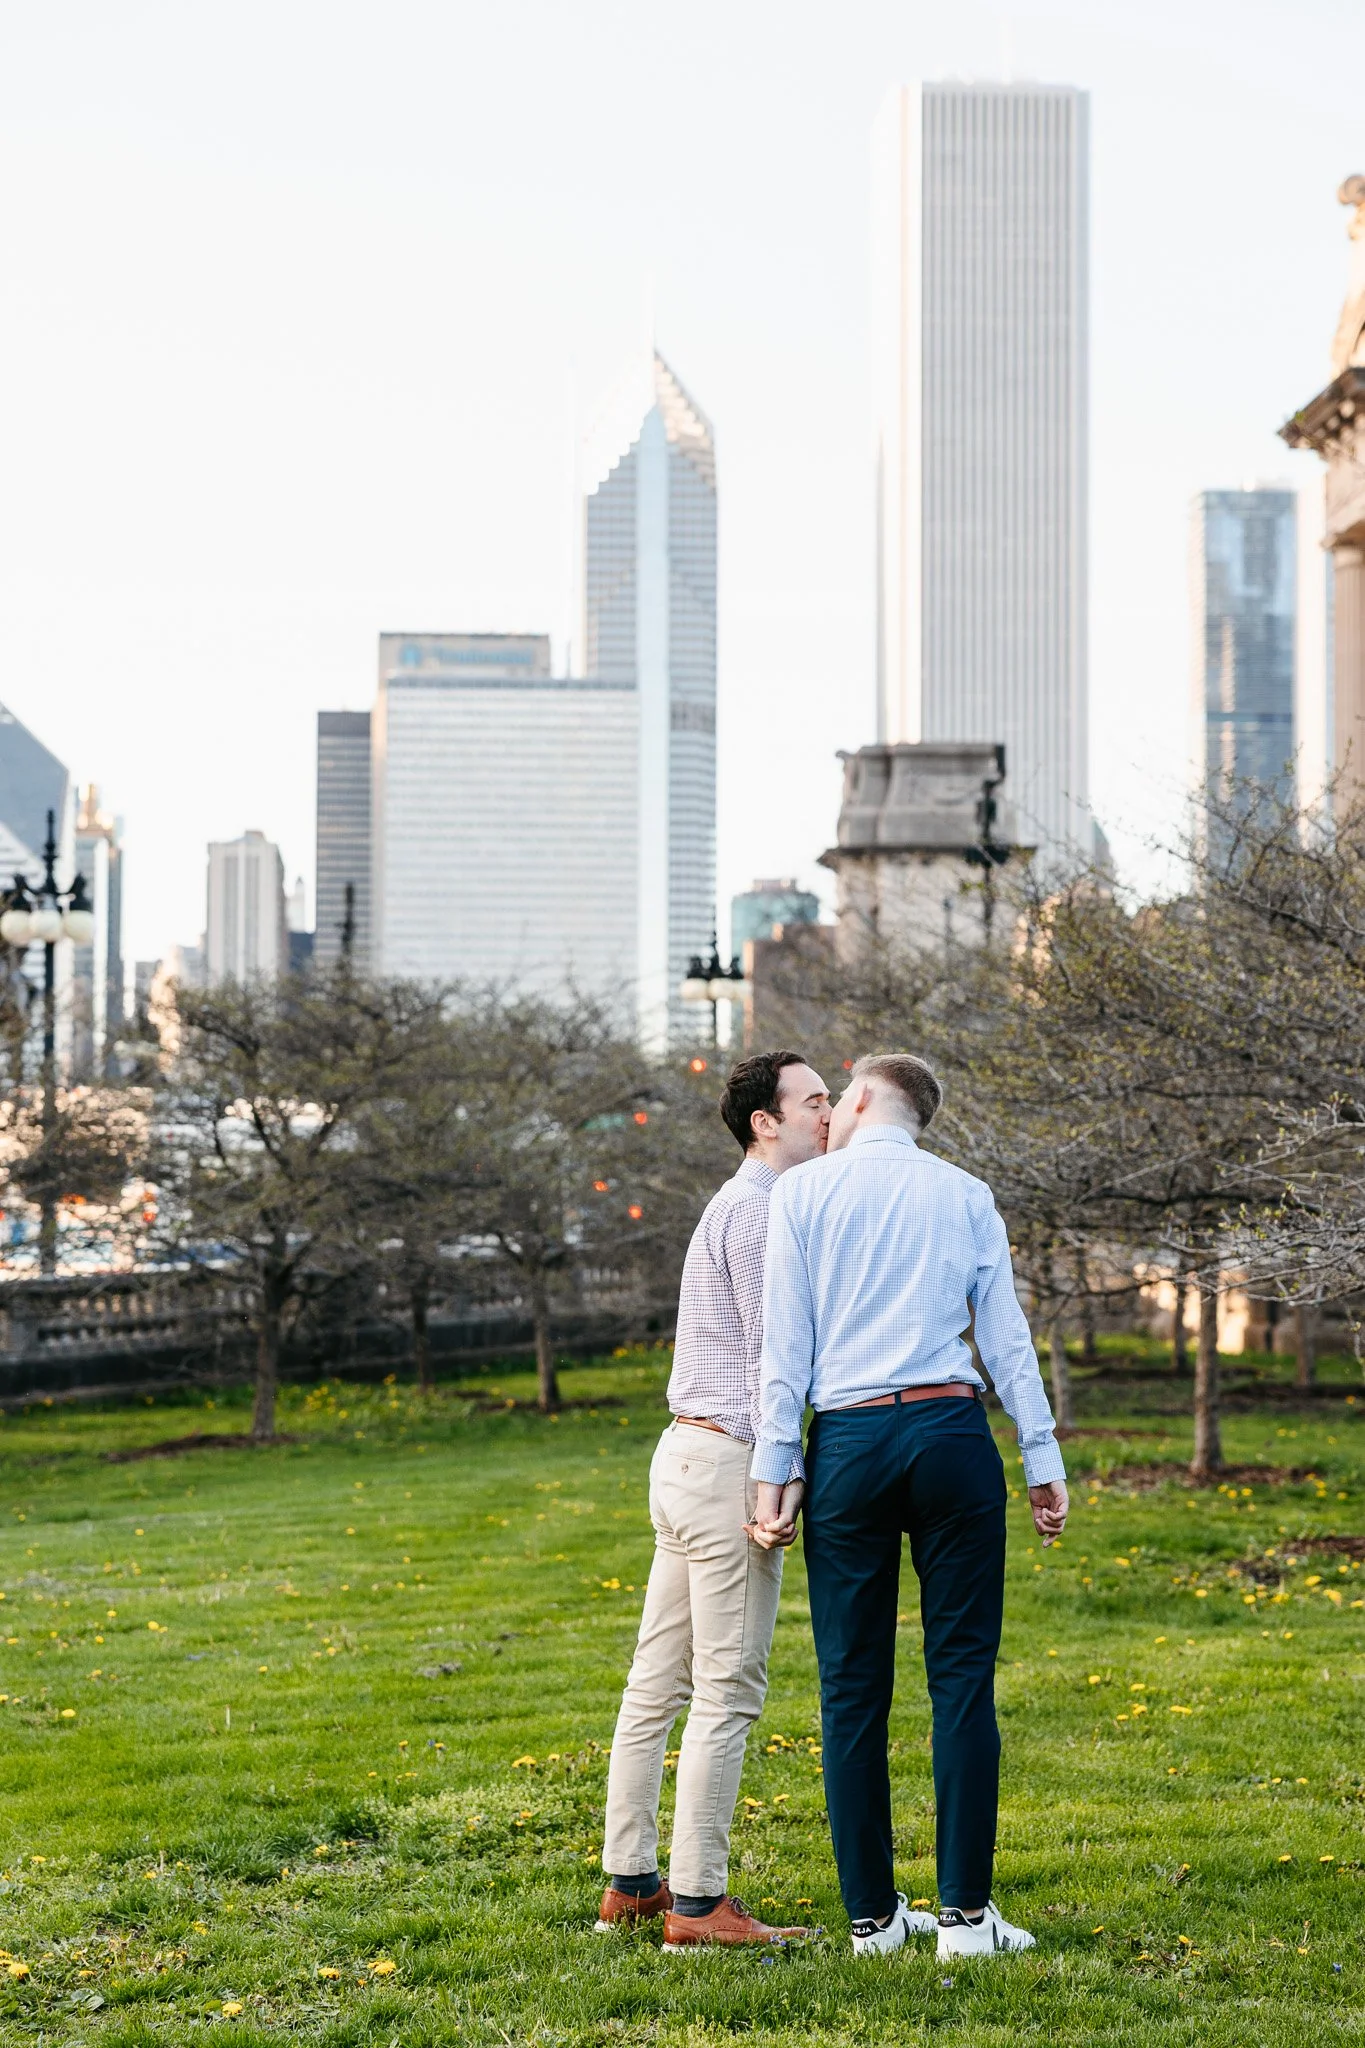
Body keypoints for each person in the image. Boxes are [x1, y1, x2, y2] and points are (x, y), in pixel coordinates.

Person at [750, 1053, 1068, 1959]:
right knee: (960, 1676)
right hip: (948, 1437)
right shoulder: (966, 1194)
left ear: (856, 1099)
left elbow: (787, 1348)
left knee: (850, 1686)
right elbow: (1004, 1339)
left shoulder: (801, 1198)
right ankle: (966, 1920)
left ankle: (873, 1922)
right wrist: (1040, 1455)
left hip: (847, 1443)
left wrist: (777, 1467)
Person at [597, 1049, 829, 1950]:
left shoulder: (731, 1203)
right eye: (813, 1101)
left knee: (656, 1684)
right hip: (729, 1459)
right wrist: (785, 1473)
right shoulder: (763, 1212)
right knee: (725, 1690)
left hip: (682, 1456)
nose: (827, 1111)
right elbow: (780, 1356)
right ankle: (697, 1904)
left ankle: (631, 1884)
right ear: (764, 1121)